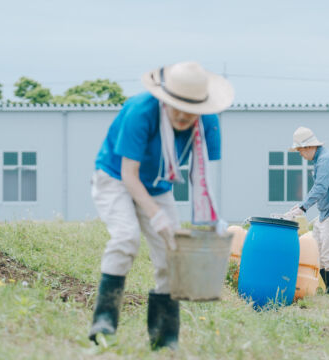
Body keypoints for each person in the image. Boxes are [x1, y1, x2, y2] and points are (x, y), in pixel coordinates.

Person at [88, 61, 234, 350]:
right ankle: (104, 320)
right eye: (176, 106)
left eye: (190, 110)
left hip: (158, 184)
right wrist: (155, 216)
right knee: (126, 238)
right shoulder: (140, 111)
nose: (182, 115)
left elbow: (201, 175)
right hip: (115, 177)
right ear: (165, 99)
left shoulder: (207, 121)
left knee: (172, 253)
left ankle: (164, 338)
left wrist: (212, 220)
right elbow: (129, 176)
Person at [283, 126, 329, 295]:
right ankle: (326, 288)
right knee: (319, 253)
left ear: (308, 147)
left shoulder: (325, 160)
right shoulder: (322, 159)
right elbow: (320, 189)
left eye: (300, 151)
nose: (301, 155)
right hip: (326, 213)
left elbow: (320, 188)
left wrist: (302, 207)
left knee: (328, 255)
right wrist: (300, 205)